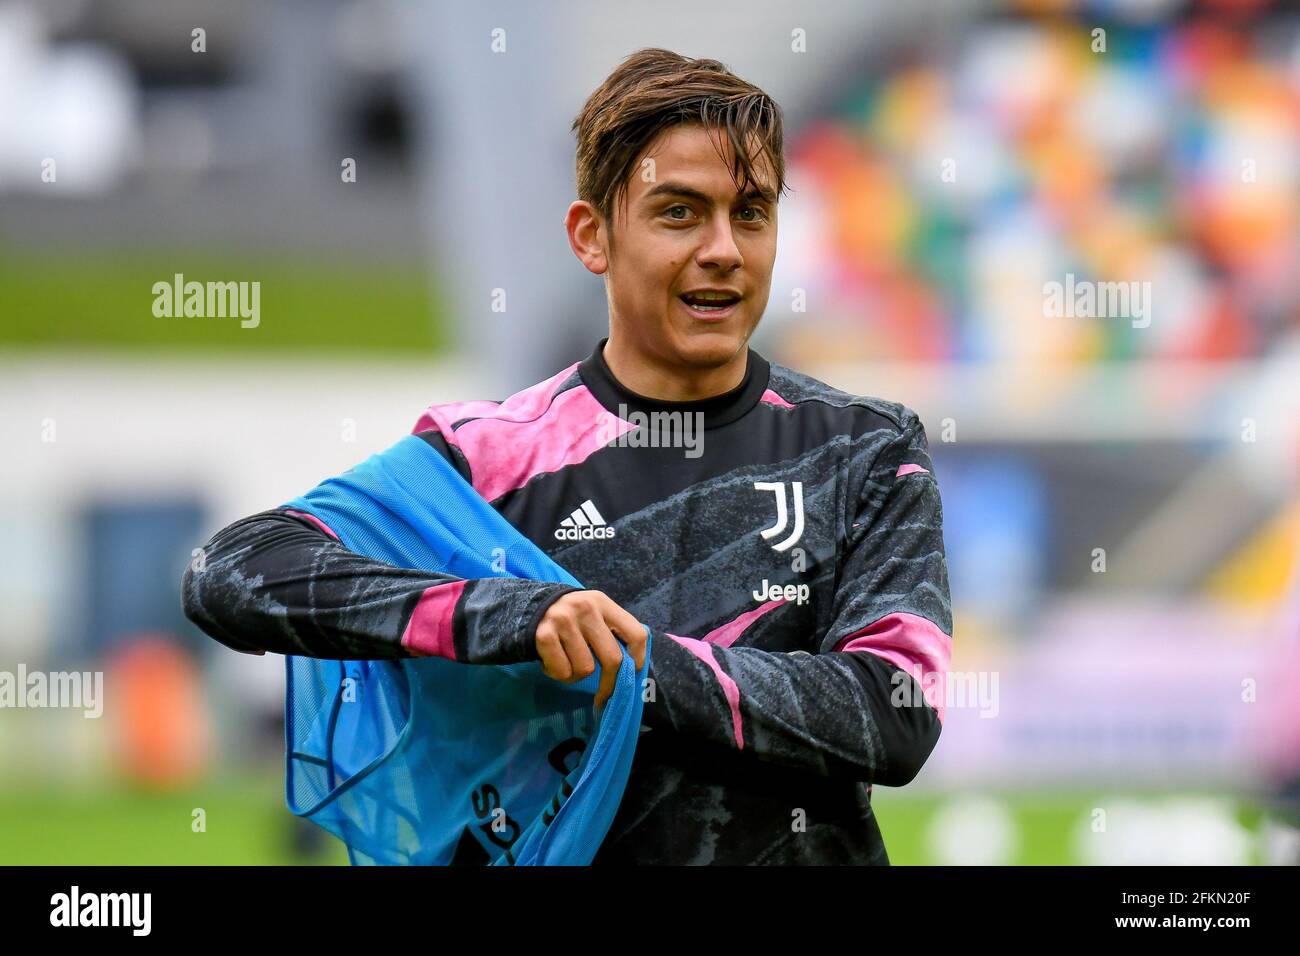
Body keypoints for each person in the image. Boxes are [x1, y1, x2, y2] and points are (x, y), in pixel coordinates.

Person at [182, 47, 952, 865]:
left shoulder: (865, 448)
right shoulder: (485, 458)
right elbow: (231, 573)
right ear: (593, 237)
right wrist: (513, 616)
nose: (725, 247)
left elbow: (898, 712)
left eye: (752, 212)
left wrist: (632, 669)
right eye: (680, 213)